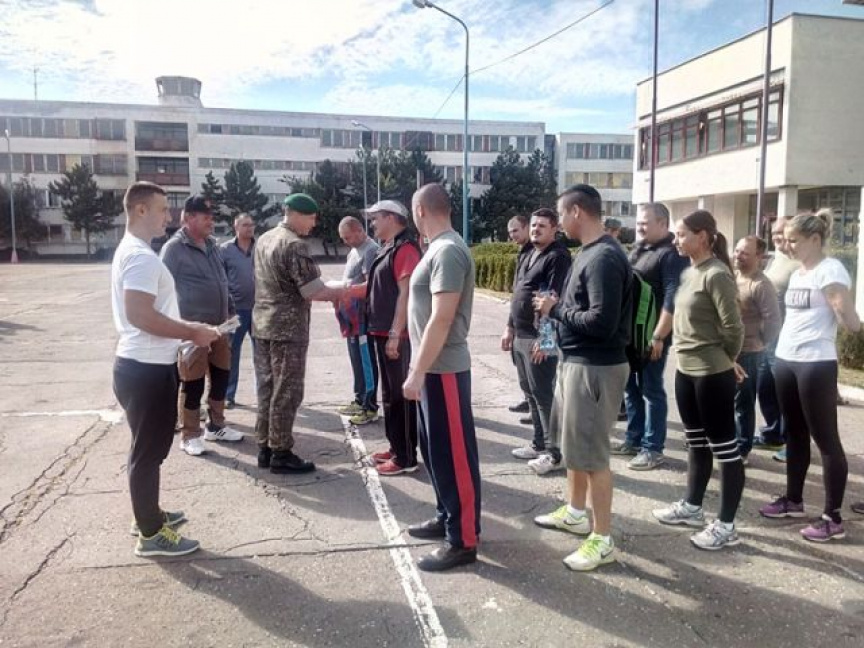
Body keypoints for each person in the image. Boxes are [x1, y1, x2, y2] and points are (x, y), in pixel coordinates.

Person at [111, 181, 220, 557]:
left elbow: (150, 313)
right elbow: (140, 315)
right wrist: (192, 331)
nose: (169, 216)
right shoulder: (140, 256)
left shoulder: (136, 251)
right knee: (148, 453)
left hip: (144, 365)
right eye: (162, 209)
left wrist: (187, 330)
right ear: (140, 210)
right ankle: (151, 534)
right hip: (145, 369)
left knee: (150, 450)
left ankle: (148, 514)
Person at [531, 184, 632, 572]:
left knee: (592, 456)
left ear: (577, 211)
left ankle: (603, 539)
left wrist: (555, 310)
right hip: (578, 362)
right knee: (574, 447)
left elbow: (602, 323)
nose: (559, 222)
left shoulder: (604, 257)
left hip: (595, 367)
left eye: (561, 214)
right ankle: (575, 513)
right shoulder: (589, 252)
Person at [759, 209, 860, 542]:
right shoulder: (800, 272)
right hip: (787, 359)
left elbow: (849, 320)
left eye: (793, 241)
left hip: (816, 363)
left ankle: (832, 518)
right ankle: (793, 501)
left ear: (815, 239)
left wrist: (844, 311)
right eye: (785, 240)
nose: (786, 246)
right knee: (795, 435)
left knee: (826, 440)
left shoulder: (830, 269)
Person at [652, 210, 745, 551]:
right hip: (686, 370)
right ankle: (692, 507)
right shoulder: (690, 271)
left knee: (725, 449)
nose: (675, 240)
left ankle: (727, 525)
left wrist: (727, 360)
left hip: (711, 374)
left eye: (681, 234)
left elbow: (734, 328)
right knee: (696, 443)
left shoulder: (717, 274)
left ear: (702, 236)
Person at [403, 183, 480, 572]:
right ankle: (446, 515)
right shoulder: (436, 248)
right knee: (435, 452)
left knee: (454, 456)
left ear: (420, 210)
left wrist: (417, 371)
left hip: (443, 368)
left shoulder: (448, 250)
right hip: (431, 367)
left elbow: (443, 317)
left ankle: (462, 540)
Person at [252, 193, 347, 473]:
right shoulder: (294, 245)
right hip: (287, 329)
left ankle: (265, 447)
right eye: (311, 218)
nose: (313, 224)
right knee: (287, 391)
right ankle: (281, 453)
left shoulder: (264, 239)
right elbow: (313, 290)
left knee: (267, 387)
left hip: (263, 325)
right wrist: (344, 292)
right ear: (295, 214)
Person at [161, 195, 243, 457]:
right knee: (192, 383)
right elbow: (162, 289)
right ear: (188, 217)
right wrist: (175, 326)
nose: (211, 221)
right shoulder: (174, 249)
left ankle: (216, 426)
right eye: (205, 216)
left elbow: (222, 281)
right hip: (192, 329)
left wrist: (231, 311)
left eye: (211, 216)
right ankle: (190, 435)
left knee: (221, 377)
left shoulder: (212, 245)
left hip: (221, 326)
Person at [614, 203, 688, 471]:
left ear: (663, 223)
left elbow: (672, 296)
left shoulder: (671, 255)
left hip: (652, 336)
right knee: (631, 389)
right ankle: (633, 440)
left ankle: (653, 449)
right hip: (630, 334)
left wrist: (658, 336)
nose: (640, 227)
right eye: (638, 222)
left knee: (651, 390)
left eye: (645, 223)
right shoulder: (640, 249)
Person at [351, 200, 422, 476]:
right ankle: (396, 447)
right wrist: (345, 291)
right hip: (382, 331)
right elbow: (377, 286)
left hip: (397, 335)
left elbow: (406, 293)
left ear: (392, 218)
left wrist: (395, 333)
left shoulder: (405, 249)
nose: (372, 224)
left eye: (376, 218)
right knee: (390, 395)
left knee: (401, 397)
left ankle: (406, 457)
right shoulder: (389, 247)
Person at [501, 208, 571, 461]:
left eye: (542, 225)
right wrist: (509, 327)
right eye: (533, 225)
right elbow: (518, 292)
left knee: (543, 394)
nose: (535, 229)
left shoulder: (558, 257)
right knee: (529, 392)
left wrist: (546, 339)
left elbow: (553, 297)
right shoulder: (528, 252)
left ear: (554, 229)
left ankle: (554, 452)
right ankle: (538, 443)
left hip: (540, 336)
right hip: (520, 334)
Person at [754, 216, 800, 461]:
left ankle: (794, 443)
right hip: (767, 336)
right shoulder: (775, 259)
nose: (778, 237)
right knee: (765, 387)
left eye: (783, 232)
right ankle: (773, 433)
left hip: (786, 336)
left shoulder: (800, 262)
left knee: (787, 392)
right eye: (774, 233)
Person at [732, 235, 780, 463]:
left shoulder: (761, 285)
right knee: (726, 400)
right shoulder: (732, 277)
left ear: (759, 256)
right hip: (727, 351)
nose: (738, 256)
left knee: (743, 403)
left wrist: (759, 341)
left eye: (744, 253)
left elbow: (773, 321)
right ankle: (728, 442)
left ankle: (742, 449)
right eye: (737, 250)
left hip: (749, 352)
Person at [334, 216, 380, 419]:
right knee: (356, 360)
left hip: (363, 318)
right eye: (343, 238)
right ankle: (359, 399)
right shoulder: (354, 251)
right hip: (351, 318)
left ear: (360, 230)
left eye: (348, 237)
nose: (346, 242)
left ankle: (369, 407)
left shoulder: (370, 250)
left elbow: (371, 286)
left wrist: (346, 291)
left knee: (366, 361)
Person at [220, 213, 256, 410]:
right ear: (236, 227)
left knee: (262, 353)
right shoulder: (225, 250)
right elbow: (220, 279)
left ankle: (264, 394)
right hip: (234, 311)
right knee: (230, 352)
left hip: (259, 309)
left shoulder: (260, 248)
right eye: (245, 225)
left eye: (251, 225)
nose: (249, 228)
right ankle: (228, 395)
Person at [504, 214, 532, 417]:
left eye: (516, 230)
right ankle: (528, 400)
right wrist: (510, 325)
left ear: (526, 227)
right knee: (521, 366)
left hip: (533, 327)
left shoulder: (537, 253)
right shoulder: (523, 252)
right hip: (519, 323)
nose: (512, 235)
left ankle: (537, 410)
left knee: (535, 372)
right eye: (510, 232)